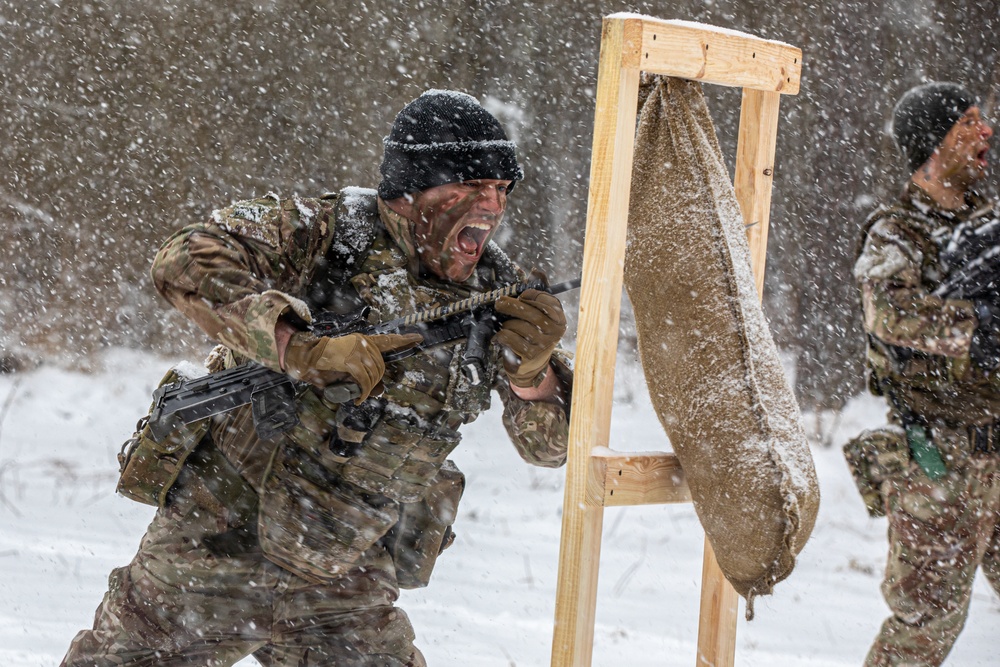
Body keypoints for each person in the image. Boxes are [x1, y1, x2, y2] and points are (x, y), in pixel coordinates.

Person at [62, 89, 573, 666]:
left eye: (501, 190)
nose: (491, 205)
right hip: (215, 543)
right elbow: (185, 258)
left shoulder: (497, 293)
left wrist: (532, 374)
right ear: (409, 191)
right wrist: (296, 346)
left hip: (343, 571)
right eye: (469, 186)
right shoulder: (326, 235)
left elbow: (550, 452)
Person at [853, 81, 1000, 666]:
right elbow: (887, 312)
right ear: (934, 142)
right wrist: (976, 326)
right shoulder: (899, 232)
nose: (986, 130)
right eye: (968, 122)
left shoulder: (990, 230)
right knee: (925, 627)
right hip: (942, 460)